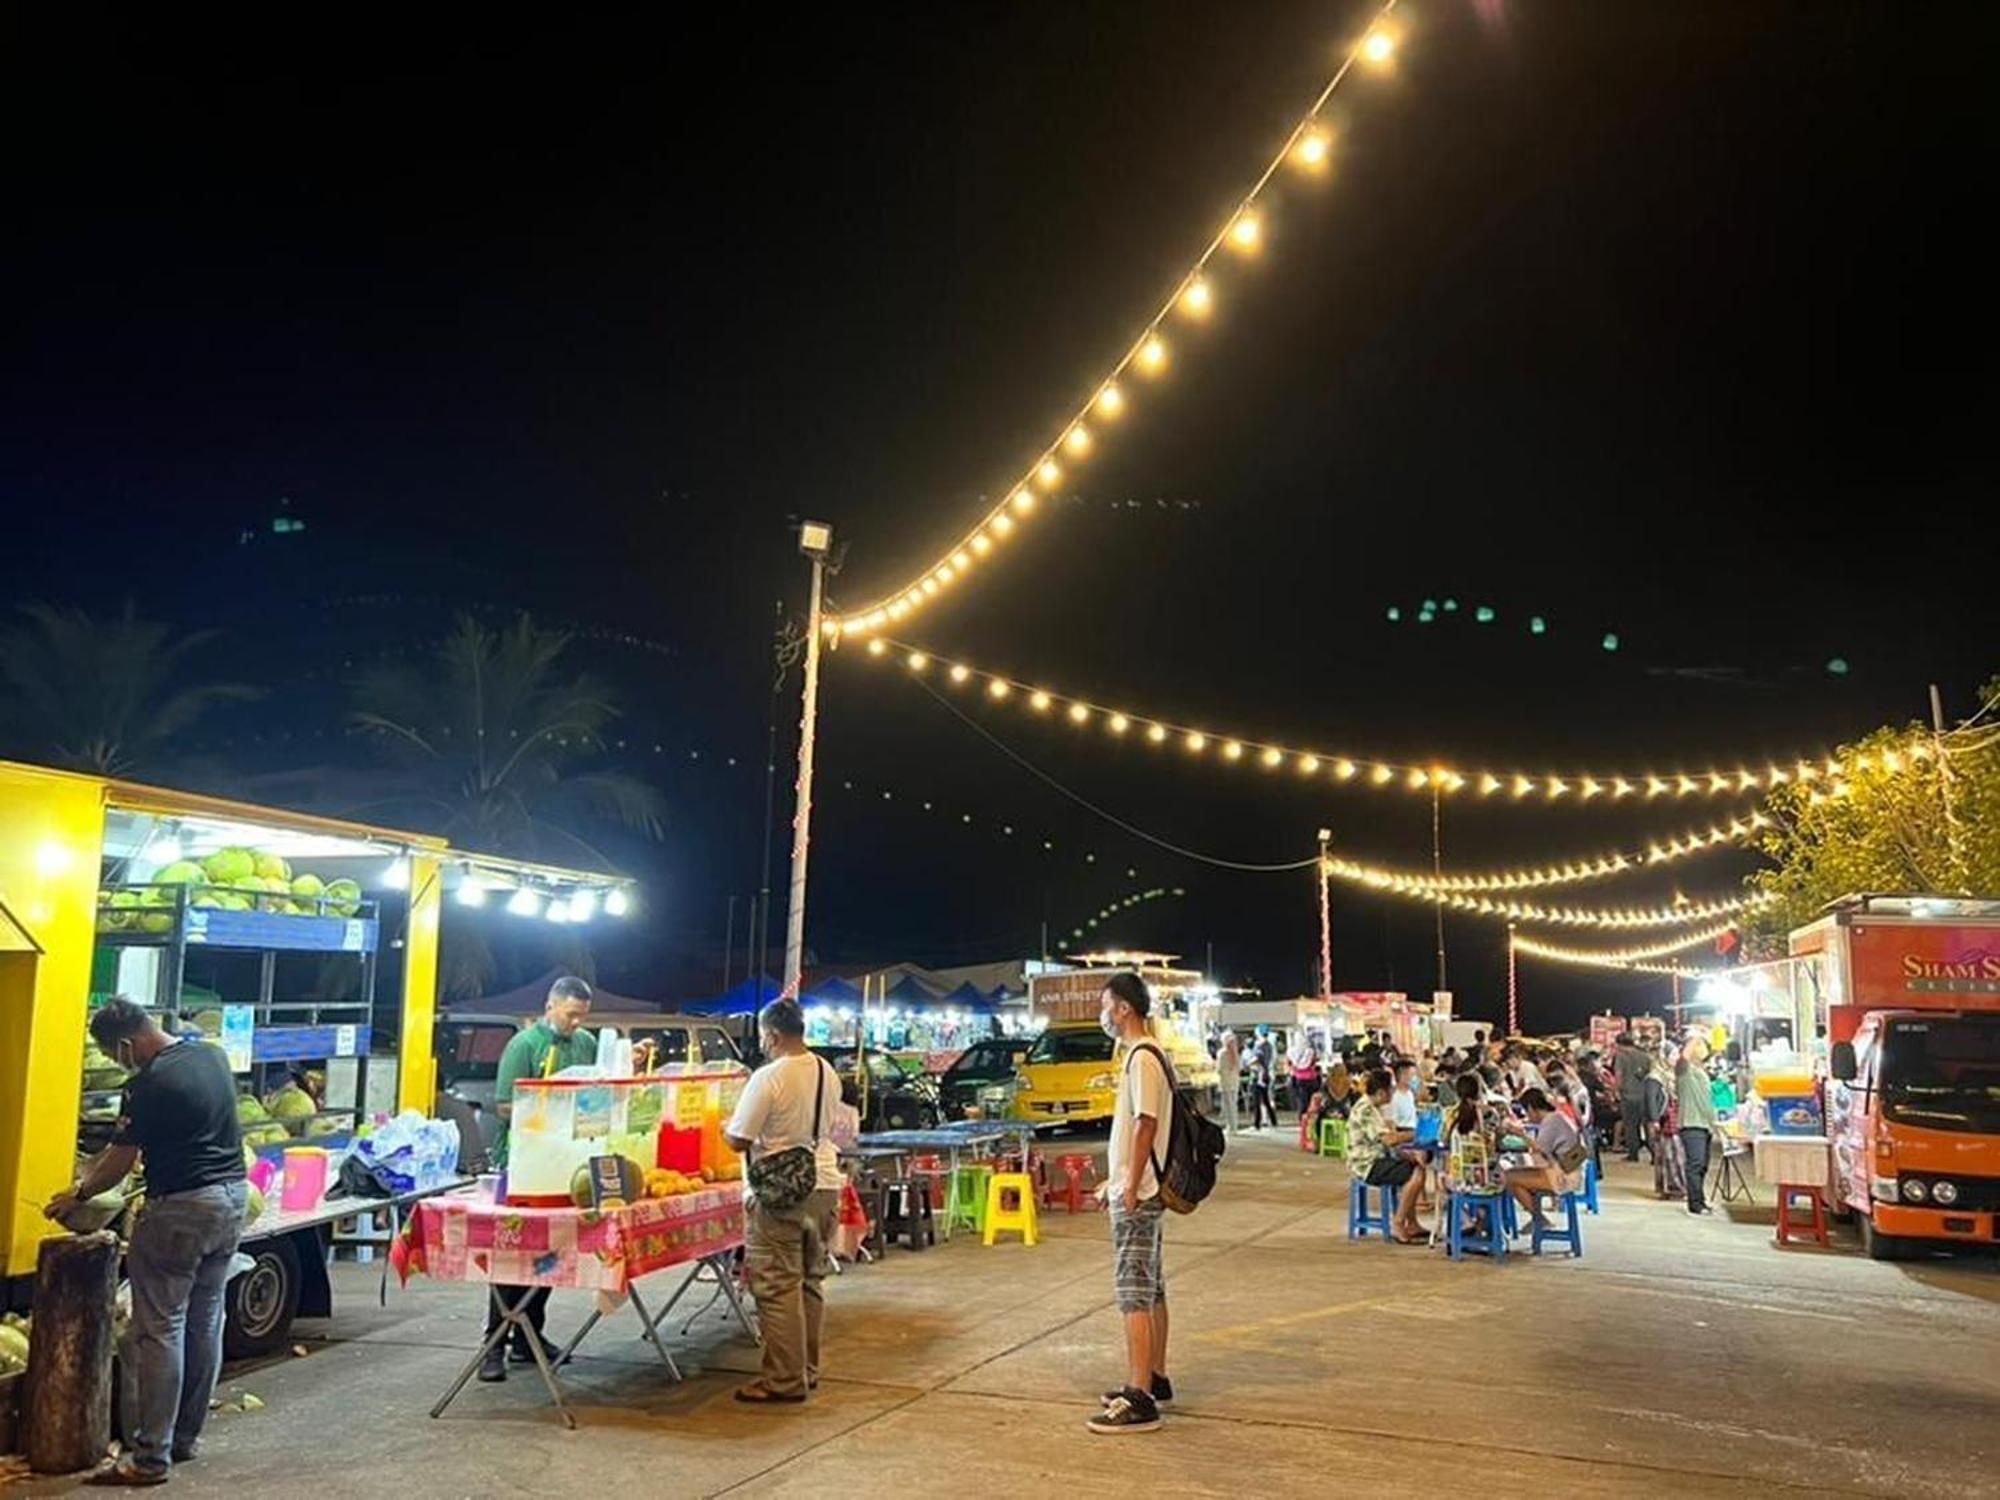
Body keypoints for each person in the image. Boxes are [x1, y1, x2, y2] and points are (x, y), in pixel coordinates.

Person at [47, 998, 248, 1485]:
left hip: (180, 1210)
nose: (120, 1064)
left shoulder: (148, 1083)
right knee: (204, 1322)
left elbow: (117, 1162)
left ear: (125, 1044)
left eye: (116, 1056)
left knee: (160, 1329)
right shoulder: (212, 1055)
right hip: (232, 1200)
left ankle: (150, 1457)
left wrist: (78, 1195)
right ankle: (183, 1439)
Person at [724, 997, 844, 1403]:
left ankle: (783, 1380)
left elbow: (739, 1138)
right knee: (809, 1282)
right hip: (824, 1184)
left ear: (772, 1035)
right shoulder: (827, 1071)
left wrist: (727, 1128)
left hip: (781, 1192)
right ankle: (806, 1370)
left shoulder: (769, 1077)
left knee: (776, 1286)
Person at [480, 975, 597, 1382]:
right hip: (522, 1162)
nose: (576, 1024)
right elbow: (505, 1107)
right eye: (570, 1016)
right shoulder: (523, 1046)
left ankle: (530, 1336)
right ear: (550, 1006)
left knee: (551, 1249)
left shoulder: (586, 1044)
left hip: (565, 1162)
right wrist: (548, 1112)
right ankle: (493, 1344)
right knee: (510, 1250)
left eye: (582, 1017)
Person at [1089, 973, 1175, 1435]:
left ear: (1123, 1007)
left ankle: (1139, 1395)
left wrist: (1128, 1184)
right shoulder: (1148, 1054)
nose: (1104, 1014)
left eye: (1106, 1005)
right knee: (1152, 1288)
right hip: (1142, 1187)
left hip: (1138, 1194)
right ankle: (1155, 1376)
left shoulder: (1142, 1056)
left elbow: (1146, 1124)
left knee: (1133, 1295)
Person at [1346, 1069, 1424, 1244]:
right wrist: (1416, 1134)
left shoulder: (1373, 1108)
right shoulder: (1365, 1110)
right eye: (1391, 1089)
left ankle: (1411, 1223)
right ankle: (1398, 1223)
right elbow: (1389, 1140)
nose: (1393, 1092)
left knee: (1413, 1165)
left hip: (1376, 1158)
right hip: (1367, 1164)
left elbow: (1384, 1141)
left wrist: (1406, 1154)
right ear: (1381, 1092)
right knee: (1417, 1173)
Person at [1502, 1087, 1584, 1234]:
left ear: (1532, 1108)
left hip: (1563, 1176)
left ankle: (1539, 1218)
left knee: (1508, 1177)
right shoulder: (1558, 1116)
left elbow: (1540, 1151)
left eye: (1527, 1112)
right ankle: (1537, 1218)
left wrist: (1521, 1135)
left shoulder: (1551, 1121)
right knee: (1516, 1180)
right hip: (1569, 1170)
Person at [1676, 1035, 1721, 1215]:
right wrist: (1695, 1037)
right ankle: (1695, 1204)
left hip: (1705, 1125)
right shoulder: (1684, 1072)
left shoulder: (1700, 1071)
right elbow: (1683, 1058)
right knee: (1695, 1165)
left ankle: (1700, 1200)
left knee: (1702, 1165)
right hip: (1691, 1124)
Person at [1614, 1034, 1653, 1161]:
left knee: (1631, 1126)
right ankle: (1654, 1153)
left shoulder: (1620, 1056)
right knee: (1648, 1126)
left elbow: (1619, 1075)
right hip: (1644, 1095)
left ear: (1619, 1044)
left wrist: (1616, 1091)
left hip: (1628, 1095)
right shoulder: (1644, 1055)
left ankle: (1633, 1154)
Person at [1247, 1026, 1278, 1129]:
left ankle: (1257, 1123)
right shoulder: (1269, 1046)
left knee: (1257, 1101)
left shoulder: (1260, 1046)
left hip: (1258, 1076)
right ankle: (1273, 1120)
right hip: (1266, 1076)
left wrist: (1249, 1063)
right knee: (1266, 1100)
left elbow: (1256, 1059)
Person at [1286, 1032, 1320, 1118]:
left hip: (1298, 1079)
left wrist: (1293, 1070)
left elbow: (1288, 1064)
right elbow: (1314, 1062)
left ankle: (1302, 1118)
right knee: (1311, 1100)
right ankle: (1311, 1117)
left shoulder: (1290, 1051)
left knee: (1301, 1100)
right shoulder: (1310, 1051)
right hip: (1311, 1079)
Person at [1216, 1027, 1243, 1134]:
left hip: (1226, 1082)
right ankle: (1234, 1127)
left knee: (1228, 1106)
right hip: (1234, 1082)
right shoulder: (1236, 1054)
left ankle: (1230, 1127)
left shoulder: (1222, 1053)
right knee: (1233, 1105)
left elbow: (1219, 1069)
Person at [1388, 1059, 1420, 1132]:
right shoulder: (1394, 1097)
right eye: (1413, 1074)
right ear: (1403, 1076)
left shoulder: (1410, 1093)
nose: (1415, 1078)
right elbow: (1392, 1123)